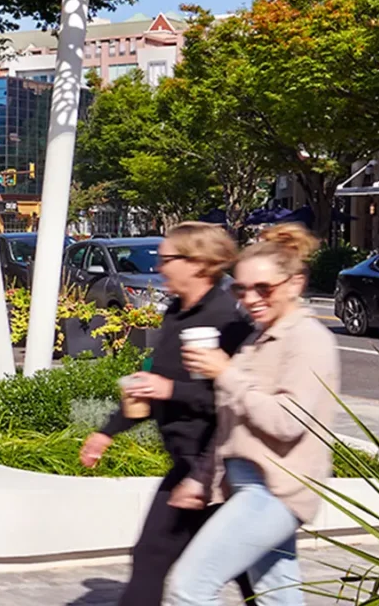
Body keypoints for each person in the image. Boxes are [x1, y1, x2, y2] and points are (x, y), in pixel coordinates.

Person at [164, 224, 340, 606]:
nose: (251, 298)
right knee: (279, 597)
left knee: (189, 588)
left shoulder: (308, 339)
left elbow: (287, 422)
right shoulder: (257, 339)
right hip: (250, 488)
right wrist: (202, 478)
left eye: (264, 288)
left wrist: (225, 373)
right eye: (241, 289)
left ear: (295, 283)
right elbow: (233, 423)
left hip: (275, 491)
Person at [79, 222, 253, 606]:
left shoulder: (228, 319)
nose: (159, 267)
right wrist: (108, 431)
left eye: (167, 259)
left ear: (198, 263)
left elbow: (232, 400)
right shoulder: (176, 312)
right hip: (186, 465)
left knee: (249, 575)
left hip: (220, 470)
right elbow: (157, 383)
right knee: (155, 558)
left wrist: (170, 389)